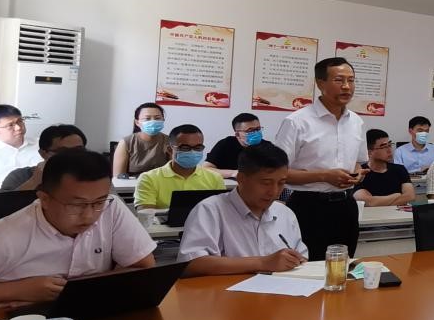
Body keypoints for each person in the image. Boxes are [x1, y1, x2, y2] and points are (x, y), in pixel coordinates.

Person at [0, 149, 156, 310]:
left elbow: (144, 267)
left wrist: (65, 292)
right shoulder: (5, 236)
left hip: (91, 311)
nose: (89, 215)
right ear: (44, 199)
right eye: (76, 205)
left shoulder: (111, 208)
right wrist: (17, 290)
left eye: (99, 202)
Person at [272, 57, 366, 258]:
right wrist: (324, 176)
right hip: (309, 207)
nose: (347, 86)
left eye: (351, 80)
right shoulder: (297, 122)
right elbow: (277, 172)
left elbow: (358, 162)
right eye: (339, 80)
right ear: (320, 83)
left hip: (346, 206)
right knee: (307, 265)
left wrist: (357, 174)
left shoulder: (356, 122)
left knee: (343, 265)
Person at [178, 142, 309, 276]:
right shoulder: (210, 210)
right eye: (266, 183)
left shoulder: (285, 213)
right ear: (241, 179)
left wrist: (297, 261)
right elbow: (191, 265)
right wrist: (263, 262)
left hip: (281, 286)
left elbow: (302, 258)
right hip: (227, 288)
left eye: (281, 183)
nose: (274, 192)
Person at [133, 124, 227, 210]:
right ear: (170, 149)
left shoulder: (215, 178)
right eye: (185, 148)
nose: (192, 152)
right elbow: (146, 215)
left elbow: (220, 211)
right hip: (163, 224)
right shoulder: (149, 178)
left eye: (198, 148)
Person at [0, 124, 87, 191]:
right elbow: (1, 207)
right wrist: (34, 182)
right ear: (43, 153)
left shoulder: (91, 175)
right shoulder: (20, 176)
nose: (72, 156)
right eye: (62, 151)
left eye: (78, 150)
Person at [355, 129, 414, 207]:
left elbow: (410, 196)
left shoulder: (399, 169)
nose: (389, 150)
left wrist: (378, 202)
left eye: (389, 145)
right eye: (384, 147)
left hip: (398, 214)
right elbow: (368, 202)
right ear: (370, 152)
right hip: (372, 214)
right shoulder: (361, 172)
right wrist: (396, 195)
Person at [112, 102, 169, 178]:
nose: (153, 121)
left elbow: (174, 171)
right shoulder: (126, 142)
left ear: (163, 120)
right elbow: (118, 177)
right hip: (133, 184)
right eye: (147, 119)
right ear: (137, 122)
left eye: (157, 118)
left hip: (161, 183)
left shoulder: (169, 141)